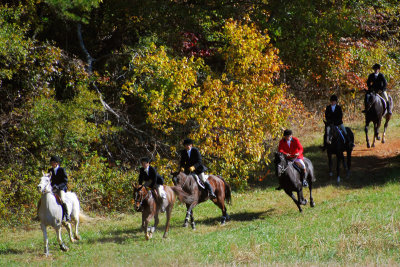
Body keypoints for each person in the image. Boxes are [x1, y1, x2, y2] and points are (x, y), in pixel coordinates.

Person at [48, 156, 70, 221]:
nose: (52, 164)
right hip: (53, 188)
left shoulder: (62, 170)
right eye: (51, 163)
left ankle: (66, 214)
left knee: (62, 199)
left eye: (53, 162)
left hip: (61, 188)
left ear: (57, 163)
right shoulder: (50, 170)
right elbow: (48, 180)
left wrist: (58, 186)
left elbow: (65, 181)